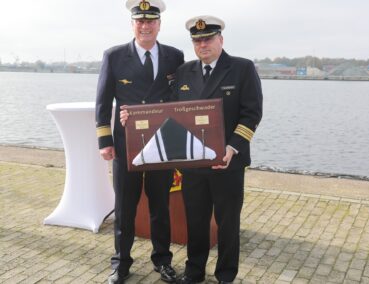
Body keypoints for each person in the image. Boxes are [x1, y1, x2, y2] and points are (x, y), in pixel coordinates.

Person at [95, 0, 184, 283]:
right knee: (125, 208)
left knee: (161, 206)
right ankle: (121, 263)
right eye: (140, 21)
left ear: (159, 24)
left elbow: (181, 98)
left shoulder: (175, 56)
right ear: (132, 24)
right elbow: (103, 100)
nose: (145, 26)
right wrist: (105, 141)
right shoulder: (114, 56)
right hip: (125, 145)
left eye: (151, 21)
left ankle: (162, 260)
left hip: (162, 144)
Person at [173, 16, 263, 283]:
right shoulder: (183, 73)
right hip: (194, 164)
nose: (203, 45)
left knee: (228, 223)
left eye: (208, 39)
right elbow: (173, 113)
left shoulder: (242, 68)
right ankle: (194, 271)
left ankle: (225, 274)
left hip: (228, 162)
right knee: (196, 221)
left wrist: (232, 147)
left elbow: (252, 113)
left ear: (220, 40)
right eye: (197, 41)